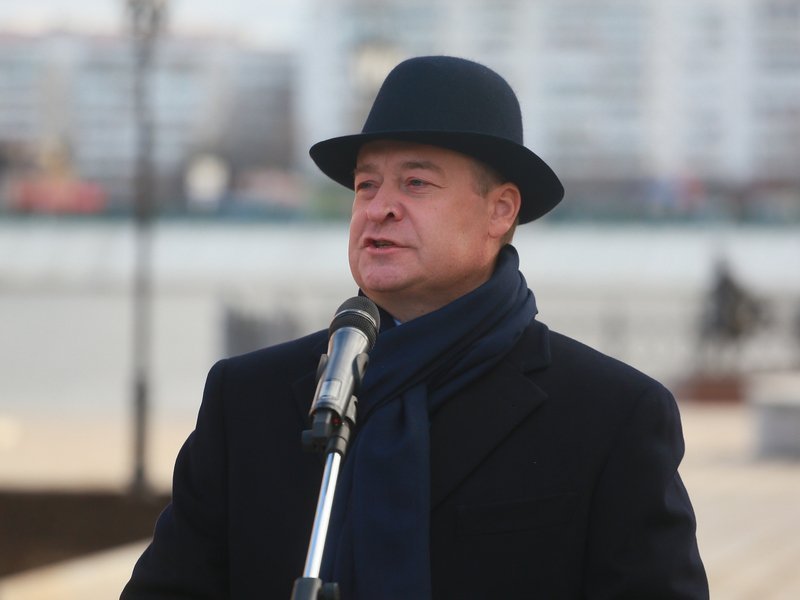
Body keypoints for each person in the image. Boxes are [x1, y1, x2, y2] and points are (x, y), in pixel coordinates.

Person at [122, 56, 708, 599]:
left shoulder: (611, 416)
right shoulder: (249, 400)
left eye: (416, 183)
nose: (379, 207)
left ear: (500, 210)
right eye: (366, 184)